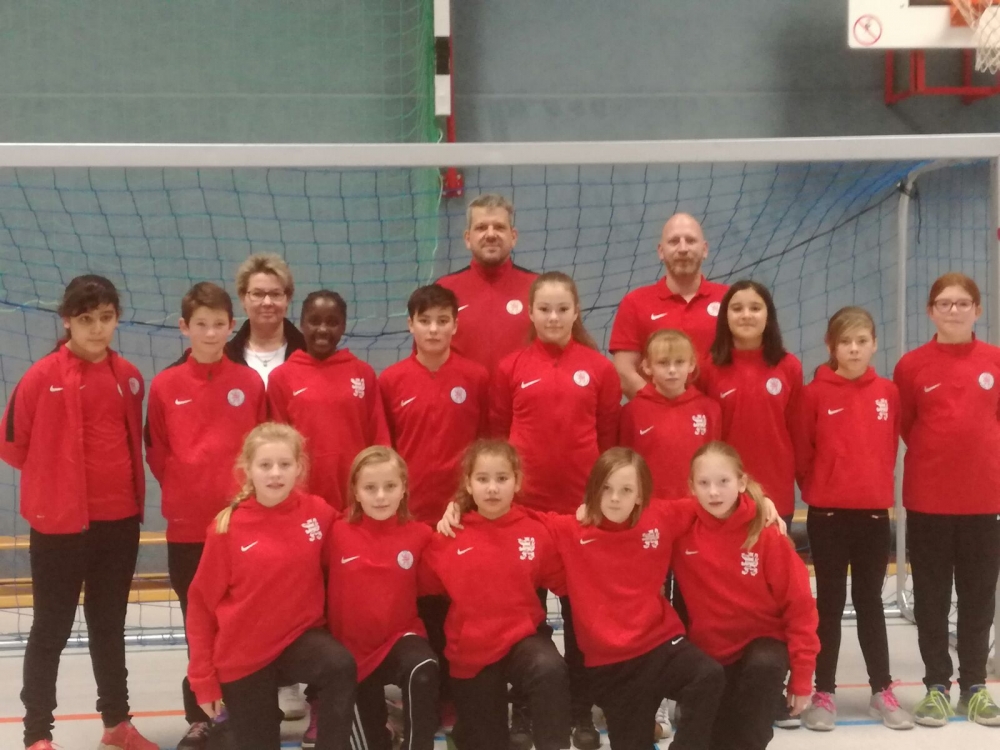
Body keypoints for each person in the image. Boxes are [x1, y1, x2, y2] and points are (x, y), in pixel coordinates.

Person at [0, 275, 155, 750]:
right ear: (67, 321)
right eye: (86, 319)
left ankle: (117, 724)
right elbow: (13, 446)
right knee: (51, 629)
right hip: (60, 526)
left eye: (106, 318)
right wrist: (58, 489)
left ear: (117, 319)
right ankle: (37, 735)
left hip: (120, 522)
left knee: (109, 626)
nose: (96, 328)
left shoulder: (129, 377)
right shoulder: (40, 377)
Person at [490, 270, 620, 748]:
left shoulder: (599, 369)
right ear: (530, 313)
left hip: (580, 516)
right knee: (525, 619)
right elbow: (499, 439)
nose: (553, 317)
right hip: (524, 514)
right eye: (544, 309)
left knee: (582, 620)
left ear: (576, 311)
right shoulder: (510, 368)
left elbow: (608, 441)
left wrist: (596, 505)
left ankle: (579, 708)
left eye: (562, 308)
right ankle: (526, 706)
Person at [144, 281, 268, 749]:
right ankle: (200, 714)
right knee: (197, 621)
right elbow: (157, 452)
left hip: (242, 526)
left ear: (232, 326)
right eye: (201, 324)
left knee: (241, 622)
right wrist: (185, 489)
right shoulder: (165, 385)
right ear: (184, 327)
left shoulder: (250, 383)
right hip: (188, 530)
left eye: (219, 324)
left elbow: (263, 449)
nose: (211, 333)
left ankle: (245, 708)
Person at [185, 423, 358, 750]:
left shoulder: (318, 513)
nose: (275, 473)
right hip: (244, 654)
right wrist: (202, 681)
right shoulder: (226, 528)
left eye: (284, 464)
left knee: (339, 666)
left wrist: (452, 512)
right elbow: (200, 607)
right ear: (248, 469)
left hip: (298, 640)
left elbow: (361, 533)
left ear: (299, 468)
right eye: (265, 465)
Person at [793, 307, 912, 731]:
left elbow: (890, 444)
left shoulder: (888, 393)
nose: (854, 349)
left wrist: (870, 488)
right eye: (845, 342)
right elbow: (802, 453)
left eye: (862, 341)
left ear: (874, 344)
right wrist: (824, 487)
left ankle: (882, 690)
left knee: (869, 603)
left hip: (873, 515)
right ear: (831, 347)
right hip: (826, 515)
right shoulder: (813, 394)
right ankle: (824, 693)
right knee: (827, 604)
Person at [893, 272, 1000, 727]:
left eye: (962, 303)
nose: (953, 310)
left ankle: (974, 686)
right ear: (930, 311)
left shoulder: (995, 361)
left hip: (984, 502)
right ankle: (936, 685)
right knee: (932, 598)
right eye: (944, 303)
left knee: (978, 597)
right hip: (928, 501)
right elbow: (907, 425)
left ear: (978, 310)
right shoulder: (911, 366)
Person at [378, 283, 488, 717]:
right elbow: (385, 454)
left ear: (456, 325)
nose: (434, 329)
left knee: (462, 607)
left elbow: (487, 447)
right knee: (421, 609)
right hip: (413, 517)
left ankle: (462, 695)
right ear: (410, 325)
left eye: (443, 321)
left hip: (463, 515)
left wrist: (469, 502)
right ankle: (428, 695)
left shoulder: (476, 377)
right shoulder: (391, 381)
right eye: (425, 321)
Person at [419, 440, 571, 750]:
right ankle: (467, 731)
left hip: (522, 641)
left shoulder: (535, 532)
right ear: (468, 484)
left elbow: (566, 583)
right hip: (471, 654)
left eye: (502, 478)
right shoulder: (447, 537)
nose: (492, 488)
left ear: (517, 481)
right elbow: (423, 589)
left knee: (549, 669)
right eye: (482, 479)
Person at [672, 441, 819, 750]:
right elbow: (638, 517)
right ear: (692, 488)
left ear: (741, 483)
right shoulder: (682, 528)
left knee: (758, 687)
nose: (714, 492)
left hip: (760, 654)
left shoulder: (766, 533)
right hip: (709, 659)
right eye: (704, 483)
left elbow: (801, 608)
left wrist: (802, 677)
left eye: (723, 482)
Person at [324, 446, 438, 750]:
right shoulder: (335, 532)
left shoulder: (421, 535)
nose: (381, 496)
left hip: (399, 639)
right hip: (350, 655)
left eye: (390, 486)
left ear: (404, 488)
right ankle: (383, 730)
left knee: (423, 668)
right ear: (355, 491)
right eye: (370, 488)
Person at [268, 290, 390, 510]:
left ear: (343, 326)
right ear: (301, 324)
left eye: (332, 322)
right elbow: (276, 446)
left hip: (357, 497)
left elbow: (379, 438)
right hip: (302, 499)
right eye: (314, 321)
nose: (323, 329)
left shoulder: (363, 373)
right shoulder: (281, 377)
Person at [699, 280, 801, 528]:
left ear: (769, 315)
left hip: (775, 489)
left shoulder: (789, 366)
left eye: (755, 308)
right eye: (737, 309)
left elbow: (798, 431)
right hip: (721, 493)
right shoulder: (708, 368)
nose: (746, 315)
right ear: (725, 317)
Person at [609, 213, 728, 399]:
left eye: (690, 240)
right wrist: (664, 409)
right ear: (661, 251)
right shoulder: (635, 303)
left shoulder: (730, 300)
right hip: (658, 416)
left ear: (705, 249)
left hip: (721, 413)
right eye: (674, 241)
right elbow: (624, 371)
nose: (683, 248)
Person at [436, 194, 538, 373]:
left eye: (499, 227)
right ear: (468, 238)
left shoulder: (538, 288)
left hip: (521, 391)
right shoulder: (443, 290)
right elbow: (425, 358)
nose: (490, 235)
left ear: (513, 237)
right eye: (481, 227)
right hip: (461, 391)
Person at [619, 329, 721, 499]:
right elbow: (624, 464)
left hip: (697, 503)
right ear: (647, 367)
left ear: (691, 365)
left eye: (679, 362)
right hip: (649, 505)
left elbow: (716, 462)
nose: (672, 370)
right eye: (663, 363)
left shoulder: (709, 409)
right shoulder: (632, 412)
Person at [225, 253, 306, 386]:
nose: (267, 302)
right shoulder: (225, 357)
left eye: (275, 294)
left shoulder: (309, 353)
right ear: (243, 299)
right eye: (257, 294)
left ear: (288, 299)